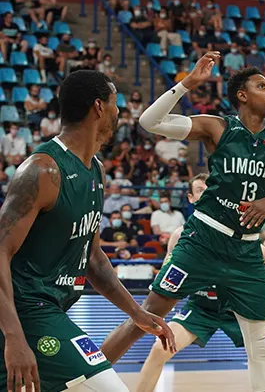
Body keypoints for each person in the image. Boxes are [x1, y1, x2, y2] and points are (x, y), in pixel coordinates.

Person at [100, 54, 265, 392]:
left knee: (259, 344)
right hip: (203, 240)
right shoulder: (218, 127)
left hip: (246, 250)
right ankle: (84, 377)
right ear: (242, 95)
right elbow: (149, 121)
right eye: (262, 86)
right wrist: (187, 83)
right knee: (147, 315)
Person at [0, 70, 173, 392]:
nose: (119, 111)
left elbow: (92, 257)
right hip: (26, 310)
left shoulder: (95, 170)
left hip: (51, 309)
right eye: (115, 103)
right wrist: (13, 336)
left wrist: (136, 313)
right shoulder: (42, 170)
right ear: (99, 107)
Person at [137, 174, 265, 392]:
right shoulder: (180, 235)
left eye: (209, 189)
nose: (206, 193)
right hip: (202, 307)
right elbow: (167, 274)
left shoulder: (234, 231)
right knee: (159, 350)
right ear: (191, 198)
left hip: (237, 307)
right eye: (200, 190)